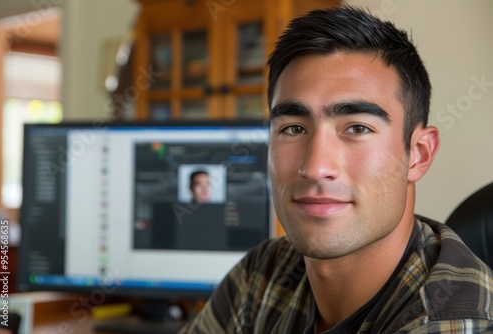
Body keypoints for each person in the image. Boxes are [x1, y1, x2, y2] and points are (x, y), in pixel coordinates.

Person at [180, 5, 493, 333]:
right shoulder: (264, 273)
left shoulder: (449, 321)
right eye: (294, 129)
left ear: (418, 154)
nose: (315, 168)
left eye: (357, 128)